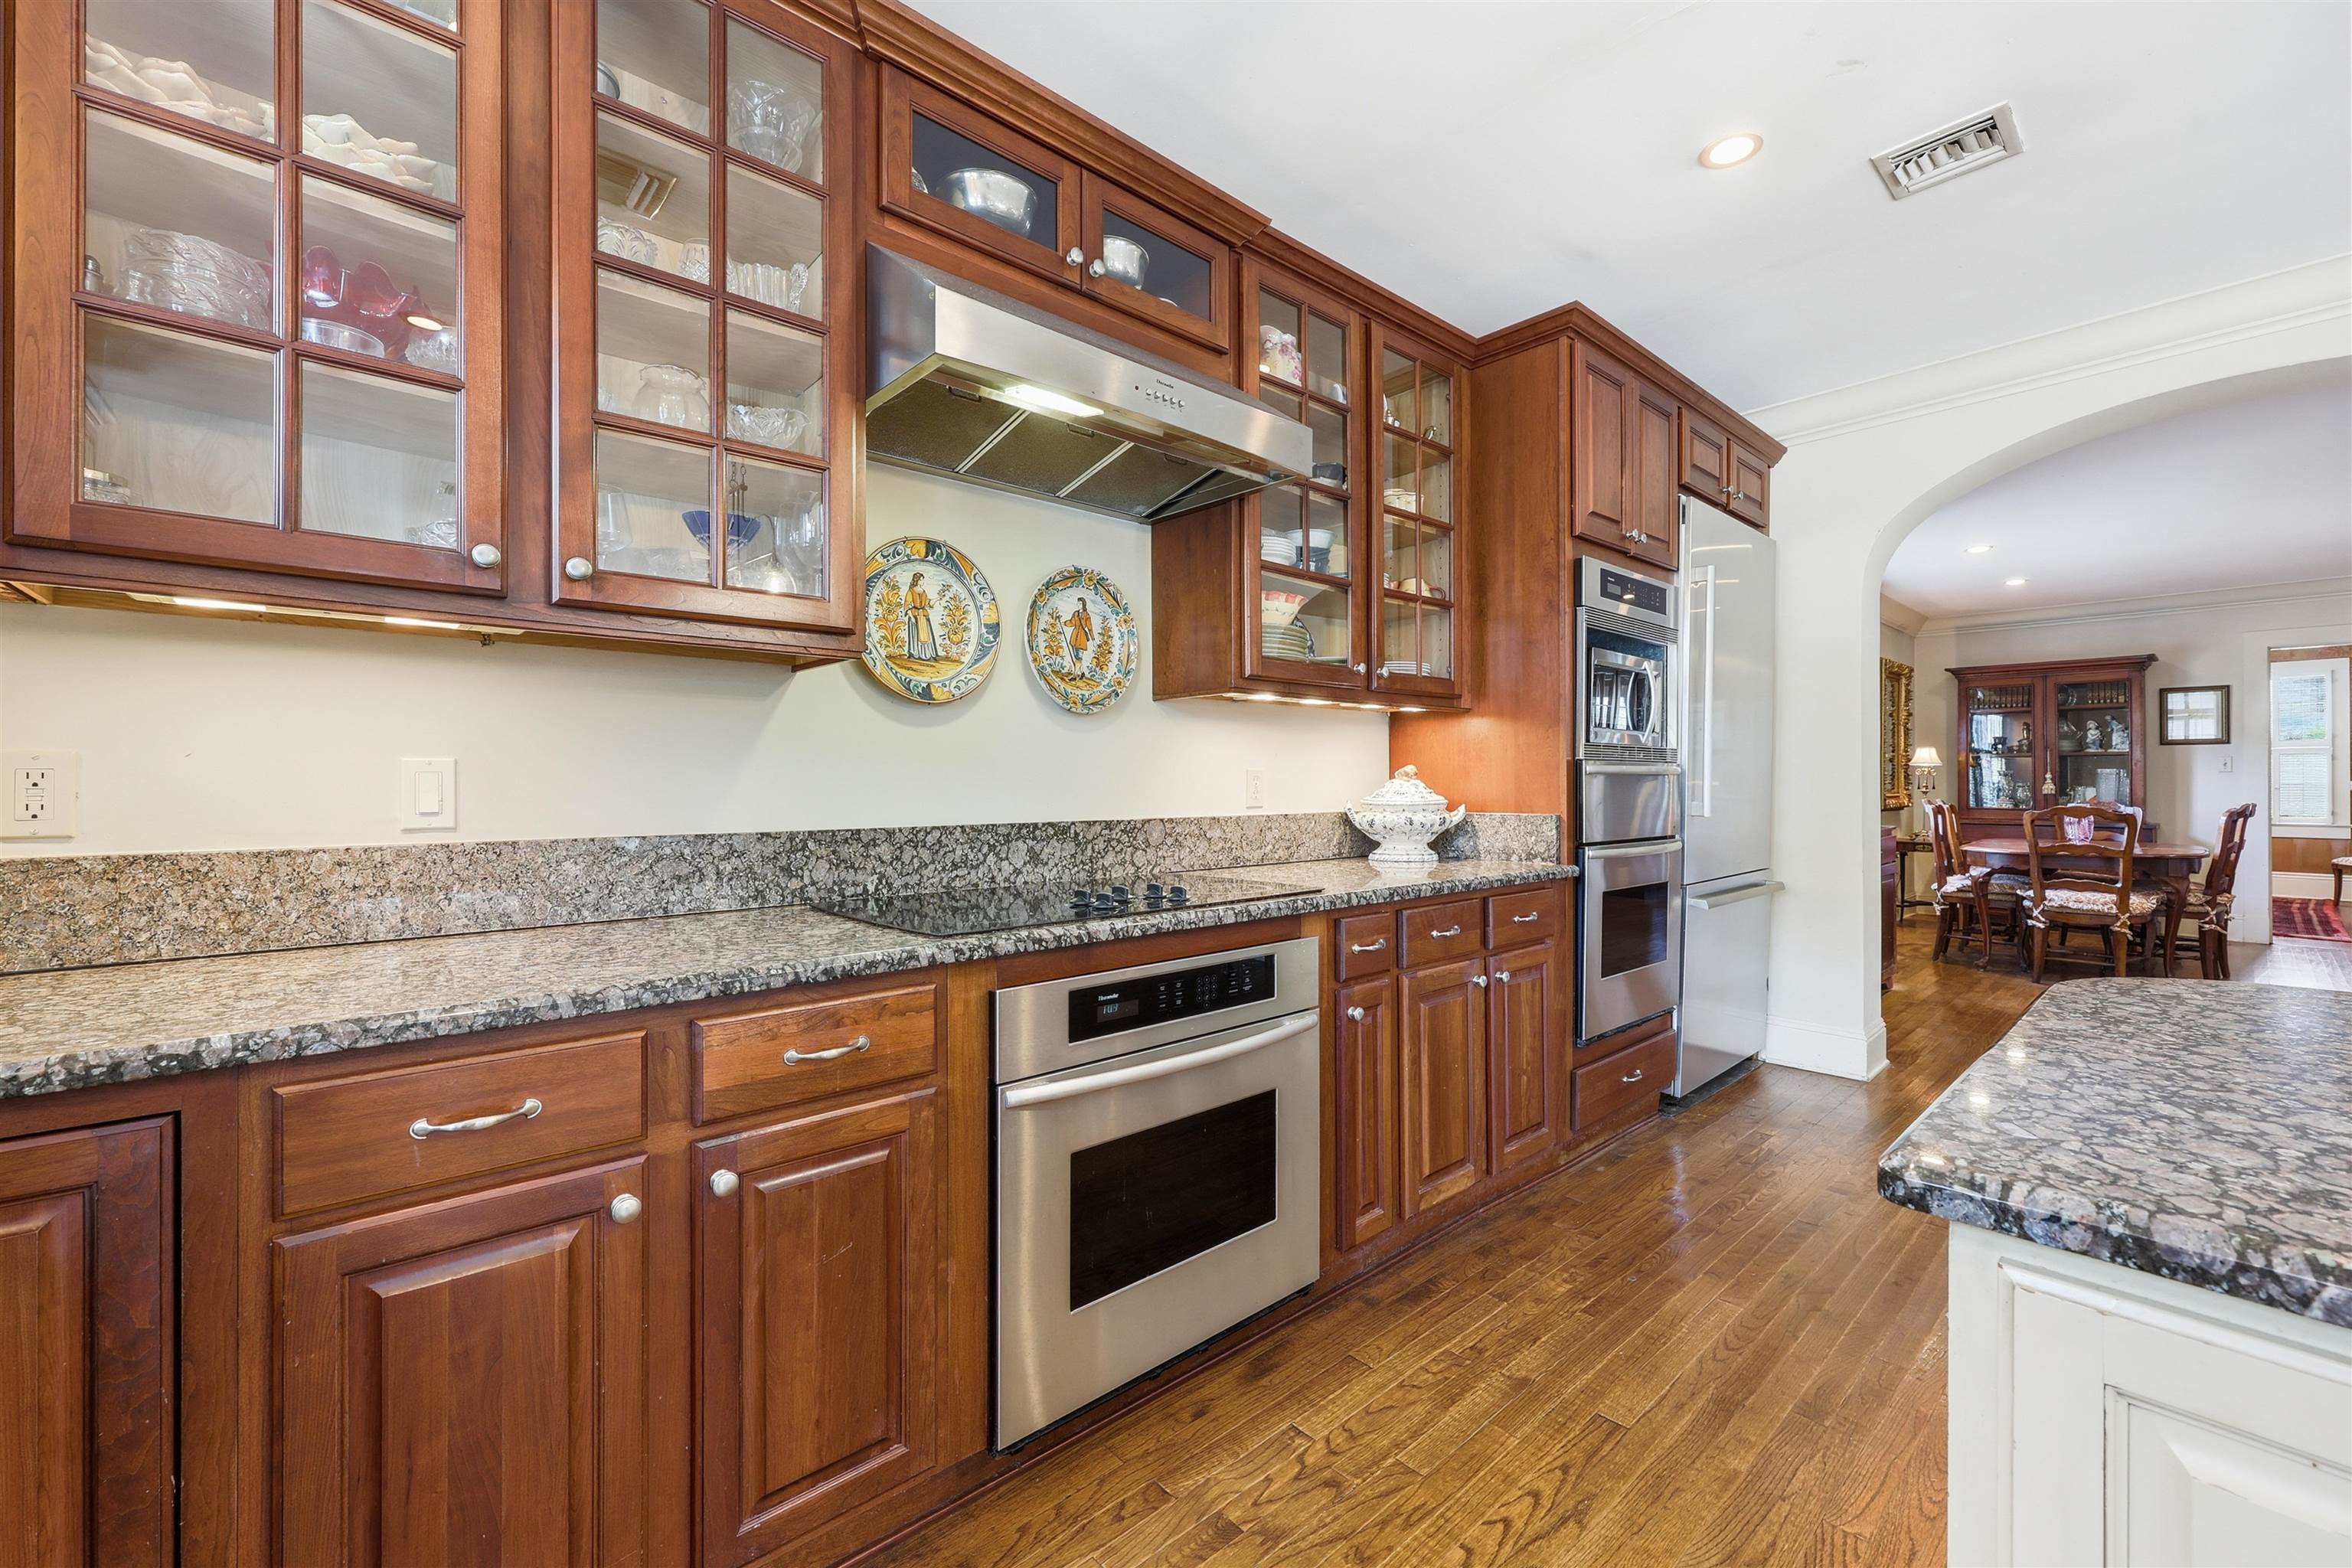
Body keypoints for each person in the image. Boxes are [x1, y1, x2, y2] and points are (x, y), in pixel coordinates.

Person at [905, 571, 940, 662]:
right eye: (921, 580)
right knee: (916, 635)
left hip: (924, 616)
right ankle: (915, 654)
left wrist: (937, 599)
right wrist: (912, 617)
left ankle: (929, 654)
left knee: (927, 634)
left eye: (923, 580)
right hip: (915, 615)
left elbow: (928, 603)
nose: (923, 581)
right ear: (917, 581)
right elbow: (907, 605)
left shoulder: (924, 591)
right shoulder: (911, 591)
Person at [1065, 596, 1095, 672]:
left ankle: (1075, 675)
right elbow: (1072, 622)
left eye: (1080, 604)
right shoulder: (1076, 613)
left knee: (1079, 657)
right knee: (1076, 657)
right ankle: (1082, 673)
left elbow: (1090, 628)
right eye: (1078, 604)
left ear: (1083, 605)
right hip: (1074, 638)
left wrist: (1093, 640)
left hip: (1082, 638)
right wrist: (1064, 623)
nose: (1078, 605)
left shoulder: (1086, 615)